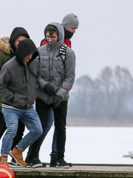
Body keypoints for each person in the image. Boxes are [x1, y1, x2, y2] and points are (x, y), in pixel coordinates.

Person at [25, 23, 75, 168]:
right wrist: (44, 86)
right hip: (43, 96)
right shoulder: (39, 51)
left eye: (53, 37)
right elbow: (35, 73)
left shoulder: (69, 53)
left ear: (59, 35)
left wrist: (59, 95)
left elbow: (70, 76)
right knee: (39, 127)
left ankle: (59, 158)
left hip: (61, 97)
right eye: (48, 36)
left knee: (60, 127)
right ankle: (33, 157)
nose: (50, 39)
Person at [0, 27, 30, 165]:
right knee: (2, 126)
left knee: (20, 127)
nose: (21, 44)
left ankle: (12, 155)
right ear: (13, 40)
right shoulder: (1, 54)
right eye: (19, 41)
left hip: (17, 100)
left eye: (24, 41)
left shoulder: (22, 56)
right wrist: (1, 87)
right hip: (1, 99)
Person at [0, 38, 42, 167]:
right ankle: (3, 158)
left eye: (32, 54)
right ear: (22, 53)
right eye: (28, 54)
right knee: (12, 130)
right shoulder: (9, 66)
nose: (30, 56)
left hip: (27, 106)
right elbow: (0, 86)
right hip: (10, 106)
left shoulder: (34, 63)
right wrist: (13, 98)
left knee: (38, 130)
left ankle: (17, 151)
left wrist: (33, 95)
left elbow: (36, 81)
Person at [41, 13, 79, 166]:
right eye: (72, 28)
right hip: (46, 93)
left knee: (59, 126)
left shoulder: (68, 44)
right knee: (45, 125)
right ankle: (32, 153)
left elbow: (68, 72)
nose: (74, 31)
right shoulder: (48, 42)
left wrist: (63, 91)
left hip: (61, 93)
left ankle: (56, 156)